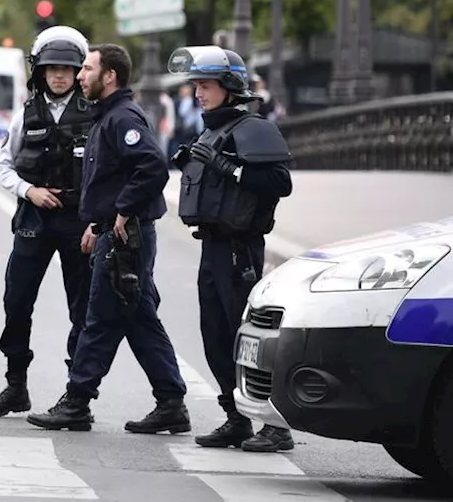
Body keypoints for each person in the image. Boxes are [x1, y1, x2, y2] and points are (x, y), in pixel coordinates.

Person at [27, 43, 190, 435]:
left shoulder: (123, 118)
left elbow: (152, 167)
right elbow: (113, 179)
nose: (80, 75)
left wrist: (121, 211)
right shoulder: (107, 116)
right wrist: (98, 223)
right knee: (138, 318)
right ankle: (171, 402)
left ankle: (77, 401)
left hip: (127, 236)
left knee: (98, 318)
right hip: (116, 232)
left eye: (86, 68)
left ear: (110, 75)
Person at [168, 45, 294, 453]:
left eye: (206, 85)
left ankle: (275, 425)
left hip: (240, 248)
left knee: (248, 340)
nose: (199, 93)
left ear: (229, 86)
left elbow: (279, 183)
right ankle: (236, 417)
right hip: (213, 245)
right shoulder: (212, 128)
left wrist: (227, 167)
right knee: (215, 335)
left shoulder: (253, 128)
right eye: (196, 86)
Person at [0, 26, 94, 417]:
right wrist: (29, 191)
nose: (59, 75)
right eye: (52, 69)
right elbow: (2, 166)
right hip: (34, 218)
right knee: (16, 300)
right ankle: (16, 385)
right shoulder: (25, 114)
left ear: (79, 71)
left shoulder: (95, 114)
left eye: (67, 68)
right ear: (40, 72)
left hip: (79, 222)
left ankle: (76, 395)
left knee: (81, 308)